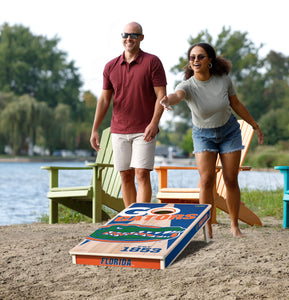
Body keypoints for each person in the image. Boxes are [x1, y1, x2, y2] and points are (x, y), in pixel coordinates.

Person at [160, 43, 264, 238]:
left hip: (229, 132)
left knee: (230, 179)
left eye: (200, 57)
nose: (196, 60)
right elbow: (177, 96)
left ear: (209, 60)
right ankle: (206, 227)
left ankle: (234, 226)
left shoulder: (223, 80)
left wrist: (254, 125)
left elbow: (236, 104)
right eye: (192, 58)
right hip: (203, 135)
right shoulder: (187, 85)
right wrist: (167, 100)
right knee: (206, 179)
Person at [90, 22, 167, 208]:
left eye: (134, 35)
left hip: (144, 129)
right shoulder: (111, 66)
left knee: (141, 173)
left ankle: (142, 218)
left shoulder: (152, 62)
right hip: (119, 130)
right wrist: (94, 130)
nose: (129, 38)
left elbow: (161, 96)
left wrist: (154, 123)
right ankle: (130, 219)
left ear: (141, 37)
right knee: (125, 175)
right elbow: (104, 100)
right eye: (125, 34)